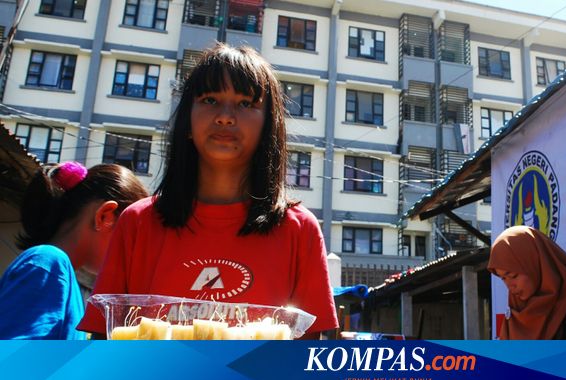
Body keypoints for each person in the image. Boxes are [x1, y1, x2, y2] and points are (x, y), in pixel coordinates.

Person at [78, 44, 339, 339]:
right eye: (210, 99)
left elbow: (306, 356)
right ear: (187, 120)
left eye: (245, 103)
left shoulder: (299, 229)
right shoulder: (136, 222)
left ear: (269, 124)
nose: (225, 116)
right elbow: (103, 343)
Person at [0, 162, 148, 339]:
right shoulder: (47, 263)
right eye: (134, 237)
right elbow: (16, 363)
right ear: (105, 216)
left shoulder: (62, 278)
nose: (136, 253)